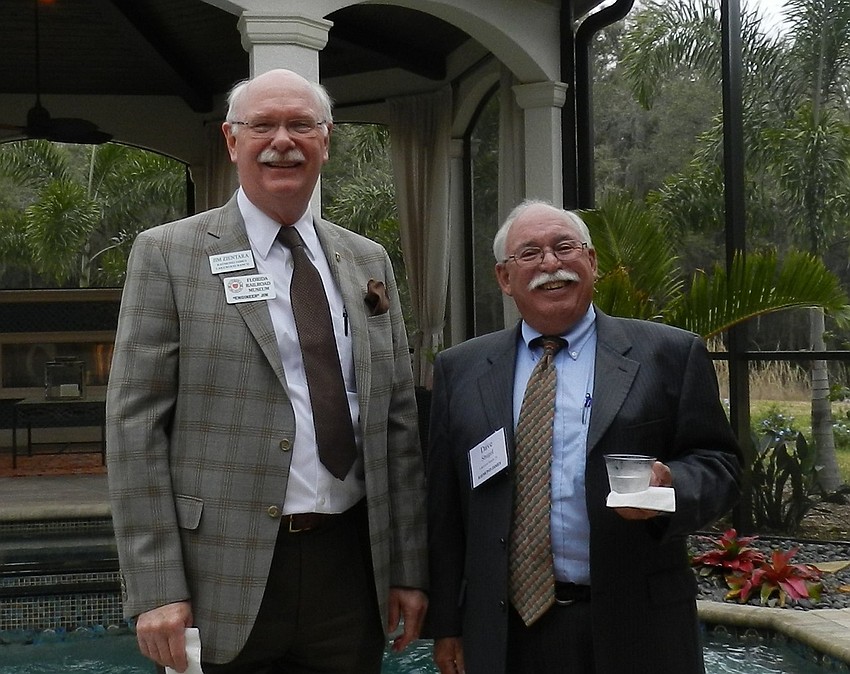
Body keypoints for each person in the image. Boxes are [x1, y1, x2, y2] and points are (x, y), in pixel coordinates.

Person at [106, 68, 428, 673]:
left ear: (325, 141)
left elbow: (397, 424)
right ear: (233, 141)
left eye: (301, 125)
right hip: (219, 574)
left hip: (349, 571)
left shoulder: (367, 260)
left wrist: (408, 568)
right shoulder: (169, 255)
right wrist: (156, 589)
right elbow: (133, 429)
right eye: (263, 125)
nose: (284, 140)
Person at [426, 200, 742, 674]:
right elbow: (445, 508)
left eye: (564, 247)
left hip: (636, 625)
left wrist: (670, 485)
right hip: (506, 633)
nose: (550, 263)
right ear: (504, 279)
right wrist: (447, 624)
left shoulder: (670, 354)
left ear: (591, 262)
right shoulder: (462, 369)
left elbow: (720, 463)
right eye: (529, 253)